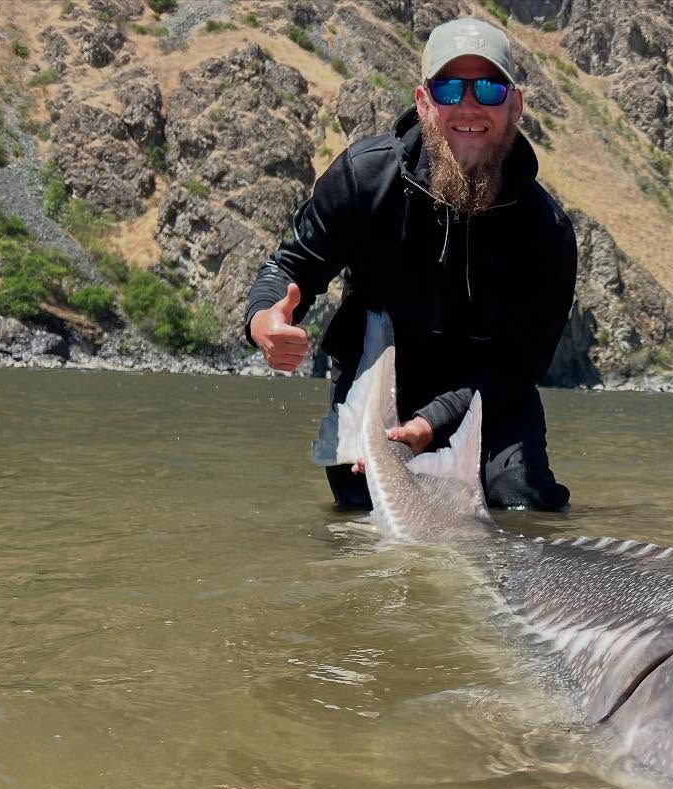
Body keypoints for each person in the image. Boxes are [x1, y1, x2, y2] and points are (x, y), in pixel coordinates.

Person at [244, 17, 576, 511]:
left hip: (490, 398)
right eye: (448, 88)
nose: (468, 106)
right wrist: (264, 318)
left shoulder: (546, 231)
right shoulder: (364, 178)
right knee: (364, 514)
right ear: (423, 103)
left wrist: (430, 425)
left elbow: (519, 367)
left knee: (523, 507)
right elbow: (290, 265)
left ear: (515, 105)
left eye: (487, 88)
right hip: (377, 387)